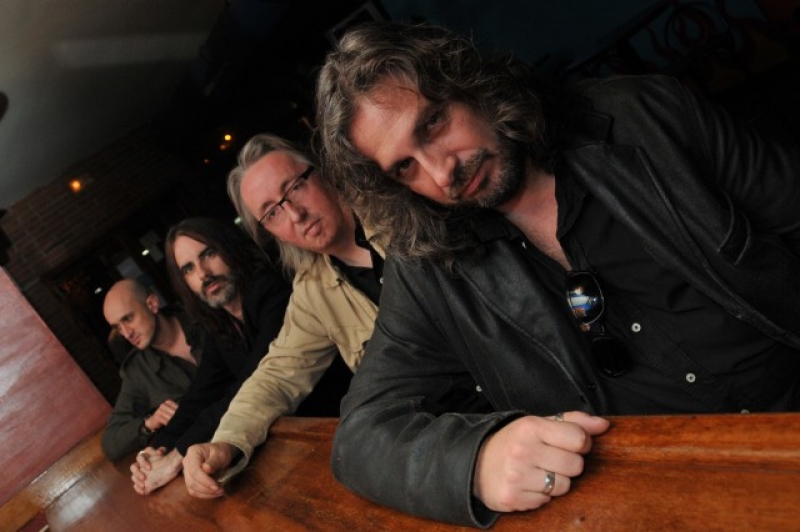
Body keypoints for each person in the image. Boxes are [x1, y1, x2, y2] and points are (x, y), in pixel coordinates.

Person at [315, 22, 800, 527]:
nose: (441, 174)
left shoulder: (644, 116)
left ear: (466, 82)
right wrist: (475, 463)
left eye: (433, 123)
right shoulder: (426, 267)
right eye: (404, 168)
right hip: (656, 498)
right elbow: (360, 437)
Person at [181, 134, 487, 498]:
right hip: (452, 442)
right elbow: (277, 375)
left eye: (294, 188)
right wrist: (226, 442)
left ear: (322, 172)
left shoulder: (401, 209)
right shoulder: (312, 292)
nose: (295, 214)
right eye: (273, 212)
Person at [130, 217, 291, 495]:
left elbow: (251, 384)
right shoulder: (221, 322)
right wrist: (155, 451)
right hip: (280, 438)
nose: (203, 273)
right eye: (189, 269)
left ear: (228, 248)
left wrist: (177, 456)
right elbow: (200, 394)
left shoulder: (269, 291)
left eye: (209, 254)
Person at [101, 279, 203, 461]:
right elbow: (111, 443)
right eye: (117, 327)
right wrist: (149, 423)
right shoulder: (138, 371)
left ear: (152, 304)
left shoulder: (201, 316)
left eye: (128, 319)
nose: (126, 333)